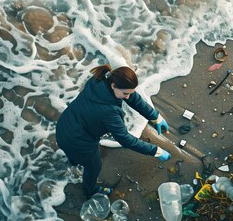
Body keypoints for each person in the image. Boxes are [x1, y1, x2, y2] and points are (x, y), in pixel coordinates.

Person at [56, 59, 171, 197]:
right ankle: (90, 191)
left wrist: (155, 116)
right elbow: (126, 140)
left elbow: (133, 98)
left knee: (75, 156)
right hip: (79, 141)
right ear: (113, 86)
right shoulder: (109, 112)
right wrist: (156, 151)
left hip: (63, 126)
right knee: (94, 167)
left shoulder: (99, 80)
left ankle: (74, 161)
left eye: (130, 92)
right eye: (125, 94)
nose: (128, 96)